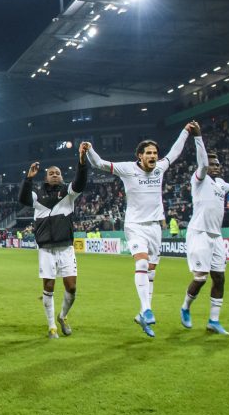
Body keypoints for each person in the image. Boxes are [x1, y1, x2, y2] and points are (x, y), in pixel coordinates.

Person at [84, 123, 192, 338]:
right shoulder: (127, 169)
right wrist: (89, 149)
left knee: (151, 273)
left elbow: (176, 152)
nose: (153, 156)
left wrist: (186, 131)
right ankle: (147, 309)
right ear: (140, 156)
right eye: (149, 153)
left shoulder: (160, 167)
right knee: (141, 263)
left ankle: (143, 314)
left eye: (155, 153)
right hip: (134, 225)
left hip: (155, 228)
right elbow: (99, 164)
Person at [179, 128, 229, 335]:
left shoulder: (221, 184)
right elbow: (204, 163)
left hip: (216, 237)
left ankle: (213, 321)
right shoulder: (199, 179)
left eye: (217, 164)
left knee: (220, 278)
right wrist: (198, 136)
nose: (215, 166)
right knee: (200, 277)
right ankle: (185, 307)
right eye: (212, 163)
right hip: (199, 233)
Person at [19, 143, 87, 339]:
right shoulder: (37, 196)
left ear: (62, 176)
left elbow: (80, 182)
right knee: (48, 287)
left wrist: (81, 162)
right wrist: (28, 178)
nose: (55, 174)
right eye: (51, 173)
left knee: (71, 287)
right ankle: (52, 327)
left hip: (66, 248)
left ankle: (62, 316)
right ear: (46, 177)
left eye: (58, 172)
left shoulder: (68, 194)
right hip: (46, 249)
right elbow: (23, 198)